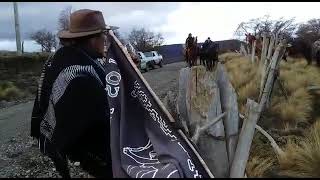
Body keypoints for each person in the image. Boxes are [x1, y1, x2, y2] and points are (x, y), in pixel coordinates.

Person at [30, 9, 113, 178]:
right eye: (103, 35)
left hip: (63, 137)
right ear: (92, 39)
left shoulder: (60, 57)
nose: (105, 39)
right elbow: (105, 116)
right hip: (87, 147)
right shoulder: (82, 72)